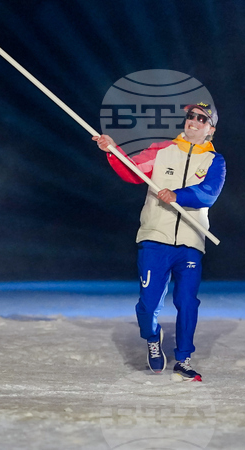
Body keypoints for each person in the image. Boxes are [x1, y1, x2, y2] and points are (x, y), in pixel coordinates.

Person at [93, 102, 226, 382]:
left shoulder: (215, 161)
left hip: (191, 240)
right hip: (155, 237)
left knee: (187, 302)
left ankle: (184, 359)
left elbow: (209, 193)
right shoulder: (161, 150)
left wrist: (178, 196)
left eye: (201, 118)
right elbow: (132, 171)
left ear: (210, 128)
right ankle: (152, 338)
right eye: (191, 116)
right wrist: (113, 151)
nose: (193, 121)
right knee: (149, 303)